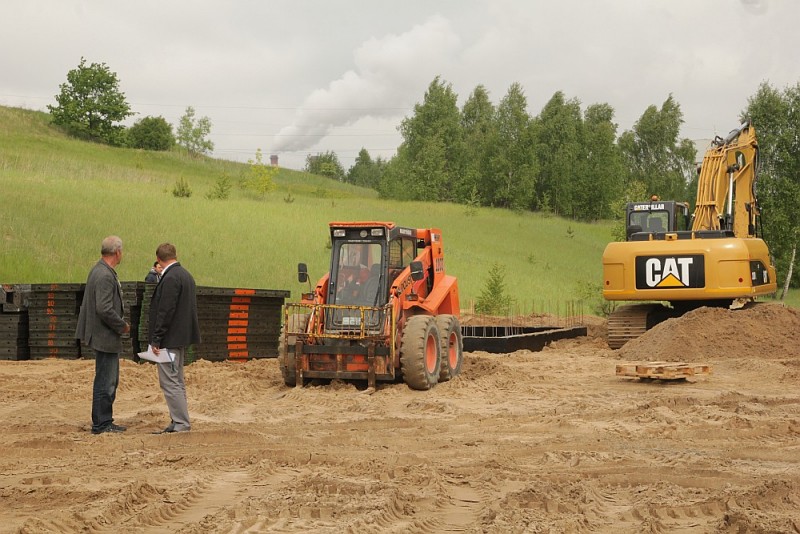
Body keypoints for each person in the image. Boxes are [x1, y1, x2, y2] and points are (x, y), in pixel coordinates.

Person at [75, 235, 130, 435]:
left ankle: (104, 420)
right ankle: (101, 423)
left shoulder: (98, 270)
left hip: (101, 334)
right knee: (106, 381)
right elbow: (104, 308)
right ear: (117, 252)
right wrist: (122, 325)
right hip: (105, 335)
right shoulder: (106, 275)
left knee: (107, 379)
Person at [148, 243, 201, 433]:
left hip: (168, 340)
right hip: (180, 339)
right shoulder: (186, 275)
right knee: (176, 380)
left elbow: (165, 310)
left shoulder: (170, 278)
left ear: (159, 259)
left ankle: (180, 423)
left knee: (170, 382)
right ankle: (178, 420)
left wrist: (156, 339)